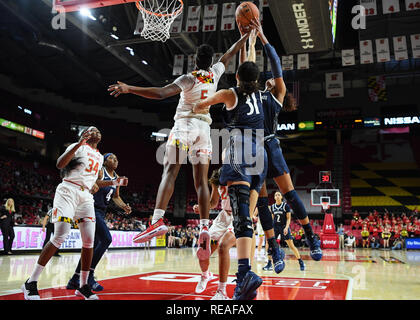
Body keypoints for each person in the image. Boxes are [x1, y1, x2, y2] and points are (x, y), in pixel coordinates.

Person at [109, 32, 253, 263]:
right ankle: (205, 226)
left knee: (170, 171)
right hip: (205, 130)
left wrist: (130, 88)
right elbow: (230, 54)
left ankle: (157, 220)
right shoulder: (215, 73)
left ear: (195, 60)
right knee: (201, 181)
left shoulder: (189, 78)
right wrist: (245, 36)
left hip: (185, 125)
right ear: (210, 61)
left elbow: (161, 93)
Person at [193, 36, 270, 299]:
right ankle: (208, 276)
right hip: (255, 157)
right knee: (204, 248)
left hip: (241, 161)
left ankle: (229, 286)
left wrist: (197, 104)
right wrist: (249, 40)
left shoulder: (230, 94)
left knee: (226, 244)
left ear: (236, 76)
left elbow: (204, 102)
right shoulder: (258, 94)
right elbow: (250, 67)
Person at [239, 19, 322, 262]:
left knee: (290, 194)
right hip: (254, 149)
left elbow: (275, 63)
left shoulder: (276, 97)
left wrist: (263, 37)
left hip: (270, 145)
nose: (271, 78)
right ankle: (275, 249)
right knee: (262, 202)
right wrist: (250, 40)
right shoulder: (253, 93)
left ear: (276, 85)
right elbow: (248, 65)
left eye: (275, 80)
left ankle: (310, 234)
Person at [22, 127, 103, 300]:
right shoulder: (78, 146)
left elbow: (93, 180)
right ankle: (31, 282)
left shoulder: (100, 157)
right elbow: (60, 164)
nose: (96, 131)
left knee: (89, 241)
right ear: (84, 135)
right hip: (68, 190)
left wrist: (103, 183)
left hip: (86, 195)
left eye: (97, 130)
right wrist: (77, 145)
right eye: (91, 129)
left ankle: (83, 286)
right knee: (60, 235)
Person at [66, 152, 131, 292]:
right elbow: (92, 184)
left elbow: (116, 197)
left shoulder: (117, 178)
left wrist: (124, 206)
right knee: (106, 239)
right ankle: (89, 274)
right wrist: (112, 182)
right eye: (111, 158)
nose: (115, 160)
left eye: (116, 158)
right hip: (90, 207)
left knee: (92, 246)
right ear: (104, 161)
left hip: (101, 211)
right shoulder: (100, 171)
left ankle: (74, 279)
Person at [192, 168, 236, 300]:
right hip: (223, 217)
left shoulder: (240, 174)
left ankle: (221, 291)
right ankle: (205, 275)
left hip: (237, 217)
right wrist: (202, 207)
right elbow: (213, 202)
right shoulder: (216, 179)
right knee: (203, 249)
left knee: (223, 246)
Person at [267, 191, 305, 271]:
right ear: (274, 197)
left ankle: (300, 262)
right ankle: (269, 263)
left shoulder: (285, 206)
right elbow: (272, 218)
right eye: (275, 195)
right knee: (270, 246)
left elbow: (288, 218)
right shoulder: (272, 207)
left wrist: (286, 227)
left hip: (284, 226)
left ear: (281, 197)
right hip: (275, 227)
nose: (277, 196)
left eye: (278, 195)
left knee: (291, 245)